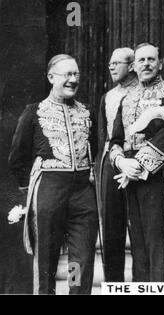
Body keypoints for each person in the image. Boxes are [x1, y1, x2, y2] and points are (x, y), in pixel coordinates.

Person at [9, 54, 98, 294]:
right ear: (51, 77)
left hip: (83, 196)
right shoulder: (33, 112)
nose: (72, 80)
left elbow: (95, 149)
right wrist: (33, 195)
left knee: (80, 259)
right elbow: (17, 159)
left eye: (76, 74)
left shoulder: (87, 113)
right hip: (49, 193)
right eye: (67, 75)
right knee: (46, 261)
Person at [109, 43, 164, 282]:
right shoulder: (126, 98)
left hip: (157, 177)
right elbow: (116, 139)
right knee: (138, 247)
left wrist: (138, 165)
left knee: (157, 245)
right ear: (134, 66)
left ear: (160, 63)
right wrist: (122, 163)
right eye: (141, 60)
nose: (146, 64)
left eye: (151, 59)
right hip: (129, 178)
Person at [95, 47, 138, 282]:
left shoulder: (142, 92)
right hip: (110, 164)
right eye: (110, 63)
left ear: (131, 66)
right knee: (111, 228)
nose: (110, 67)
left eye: (116, 63)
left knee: (139, 228)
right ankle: (114, 284)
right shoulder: (108, 96)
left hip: (138, 162)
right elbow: (102, 136)